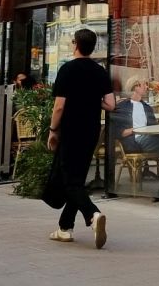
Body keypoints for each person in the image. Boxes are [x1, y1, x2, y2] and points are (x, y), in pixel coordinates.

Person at [47, 27, 115, 247]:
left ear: (75, 43)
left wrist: (52, 130)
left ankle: (92, 214)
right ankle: (65, 228)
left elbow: (59, 106)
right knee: (77, 179)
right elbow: (111, 105)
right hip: (91, 131)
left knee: (70, 181)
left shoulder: (67, 69)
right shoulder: (100, 71)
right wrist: (93, 100)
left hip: (71, 130)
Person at [109, 77, 159, 157]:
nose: (147, 87)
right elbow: (117, 132)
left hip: (149, 138)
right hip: (135, 141)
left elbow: (154, 127)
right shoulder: (122, 106)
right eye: (144, 84)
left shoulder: (147, 107)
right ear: (136, 87)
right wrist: (136, 130)